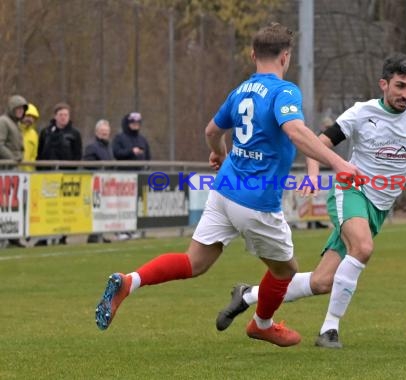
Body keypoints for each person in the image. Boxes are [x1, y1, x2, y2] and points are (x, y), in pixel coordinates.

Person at [94, 22, 360, 347]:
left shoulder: (240, 91)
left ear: (252, 55)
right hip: (256, 201)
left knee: (194, 262)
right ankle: (262, 323)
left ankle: (130, 281)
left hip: (223, 190)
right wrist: (339, 163)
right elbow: (294, 131)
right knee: (285, 270)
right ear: (286, 57)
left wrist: (220, 155)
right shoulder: (284, 91)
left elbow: (211, 131)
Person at [215, 53, 406, 348]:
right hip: (351, 192)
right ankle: (330, 330)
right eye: (400, 86)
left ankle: (247, 294)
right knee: (363, 247)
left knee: (321, 282)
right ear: (384, 84)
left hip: (379, 207)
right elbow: (320, 142)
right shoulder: (361, 113)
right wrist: (313, 174)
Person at [35, 102, 82, 246]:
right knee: (45, 207)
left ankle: (62, 235)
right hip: (47, 176)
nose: (63, 118)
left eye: (66, 115)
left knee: (64, 208)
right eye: (61, 115)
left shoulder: (74, 134)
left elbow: (77, 155)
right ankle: (43, 236)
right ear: (55, 116)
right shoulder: (46, 132)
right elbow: (40, 152)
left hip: (65, 177)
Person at [112, 112, 151, 240]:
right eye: (133, 123)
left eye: (137, 123)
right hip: (124, 177)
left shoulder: (142, 139)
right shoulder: (120, 138)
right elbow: (116, 153)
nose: (135, 126)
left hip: (138, 176)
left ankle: (133, 229)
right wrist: (131, 151)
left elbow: (148, 156)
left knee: (135, 205)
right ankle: (121, 230)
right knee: (122, 204)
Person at [0, 95, 27, 248]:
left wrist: (20, 157)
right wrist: (11, 159)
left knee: (14, 203)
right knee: (4, 203)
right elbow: (0, 144)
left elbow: (19, 147)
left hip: (14, 169)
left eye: (22, 109)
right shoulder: (4, 122)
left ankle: (13, 235)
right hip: (5, 169)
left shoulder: (16, 125)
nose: (20, 111)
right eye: (17, 108)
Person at [83, 119, 113, 244]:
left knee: (104, 209)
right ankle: (94, 235)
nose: (104, 134)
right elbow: (87, 163)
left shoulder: (108, 148)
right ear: (96, 132)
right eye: (102, 132)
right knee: (96, 209)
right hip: (95, 184)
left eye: (106, 132)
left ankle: (100, 233)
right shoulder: (92, 147)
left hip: (106, 184)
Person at [19, 102, 40, 172]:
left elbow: (34, 155)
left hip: (28, 173)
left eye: (33, 117)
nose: (30, 119)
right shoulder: (13, 129)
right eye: (28, 116)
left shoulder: (34, 134)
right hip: (11, 172)